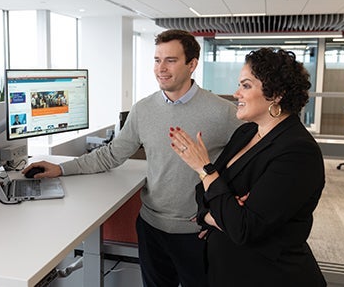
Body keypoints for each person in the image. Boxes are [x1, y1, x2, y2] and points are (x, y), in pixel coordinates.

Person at [23, 29, 242, 287]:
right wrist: (61, 169)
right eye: (157, 60)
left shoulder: (224, 112)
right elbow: (112, 154)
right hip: (151, 227)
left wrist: (229, 210)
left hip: (198, 232)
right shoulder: (143, 109)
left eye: (170, 60)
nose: (161, 68)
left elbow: (251, 160)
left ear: (192, 64)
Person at [168, 48, 327, 286]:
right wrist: (217, 212)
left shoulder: (297, 151)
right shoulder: (246, 132)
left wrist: (205, 169)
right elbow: (204, 194)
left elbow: (243, 229)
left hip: (270, 276)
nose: (236, 94)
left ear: (277, 94)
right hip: (228, 270)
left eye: (246, 85)